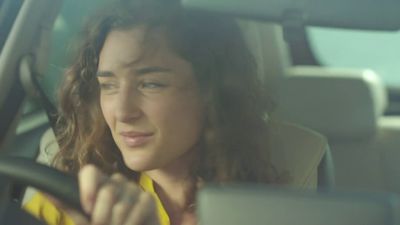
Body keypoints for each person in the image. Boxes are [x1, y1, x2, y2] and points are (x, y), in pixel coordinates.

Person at [23, 0, 326, 224]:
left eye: (151, 84)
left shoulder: (270, 210)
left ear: (211, 95)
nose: (123, 112)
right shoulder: (67, 204)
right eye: (109, 85)